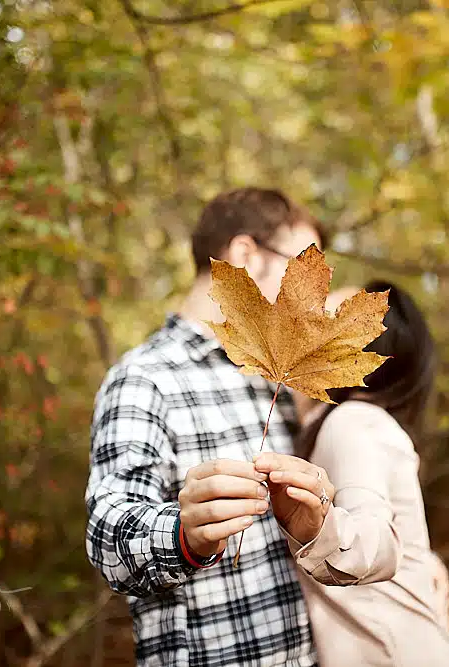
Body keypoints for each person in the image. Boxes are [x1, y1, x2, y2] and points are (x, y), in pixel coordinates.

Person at [85, 187, 340, 667]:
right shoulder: (144, 378)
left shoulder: (275, 380)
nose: (313, 296)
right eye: (302, 268)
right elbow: (106, 537)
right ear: (245, 254)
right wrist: (186, 533)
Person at [254, 281, 449, 667]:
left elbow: (371, 536)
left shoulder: (352, 423)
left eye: (330, 323)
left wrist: (316, 529)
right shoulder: (352, 423)